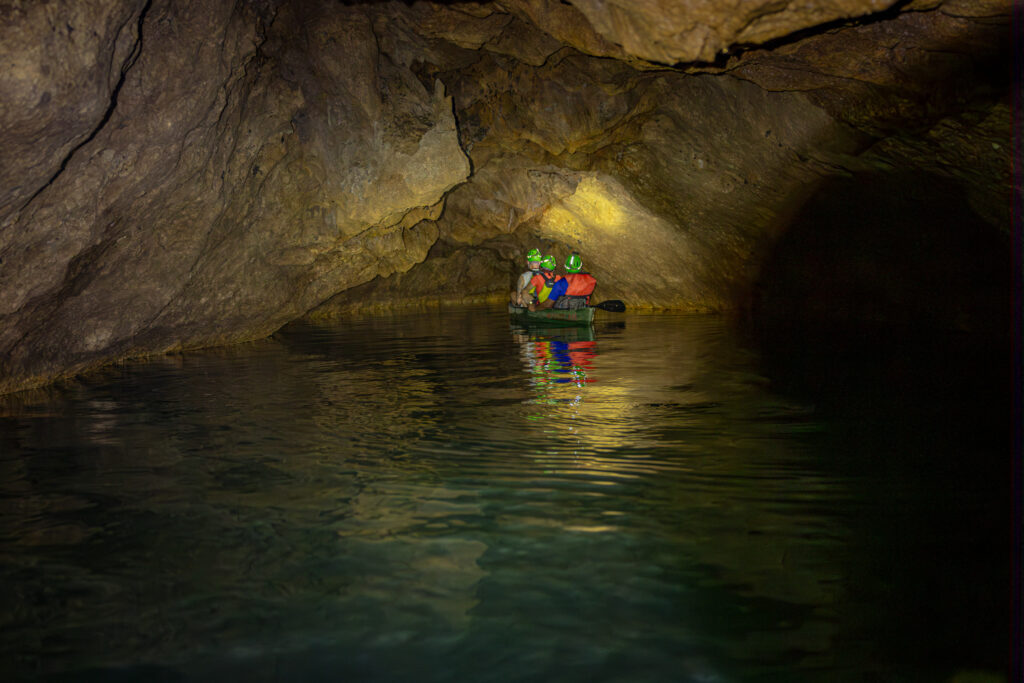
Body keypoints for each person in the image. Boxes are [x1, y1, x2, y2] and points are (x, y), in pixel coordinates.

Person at [530, 252, 595, 311]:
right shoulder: (590, 281)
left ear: (566, 268)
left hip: (562, 315)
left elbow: (547, 305)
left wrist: (535, 308)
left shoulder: (560, 283)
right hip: (581, 313)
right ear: (580, 267)